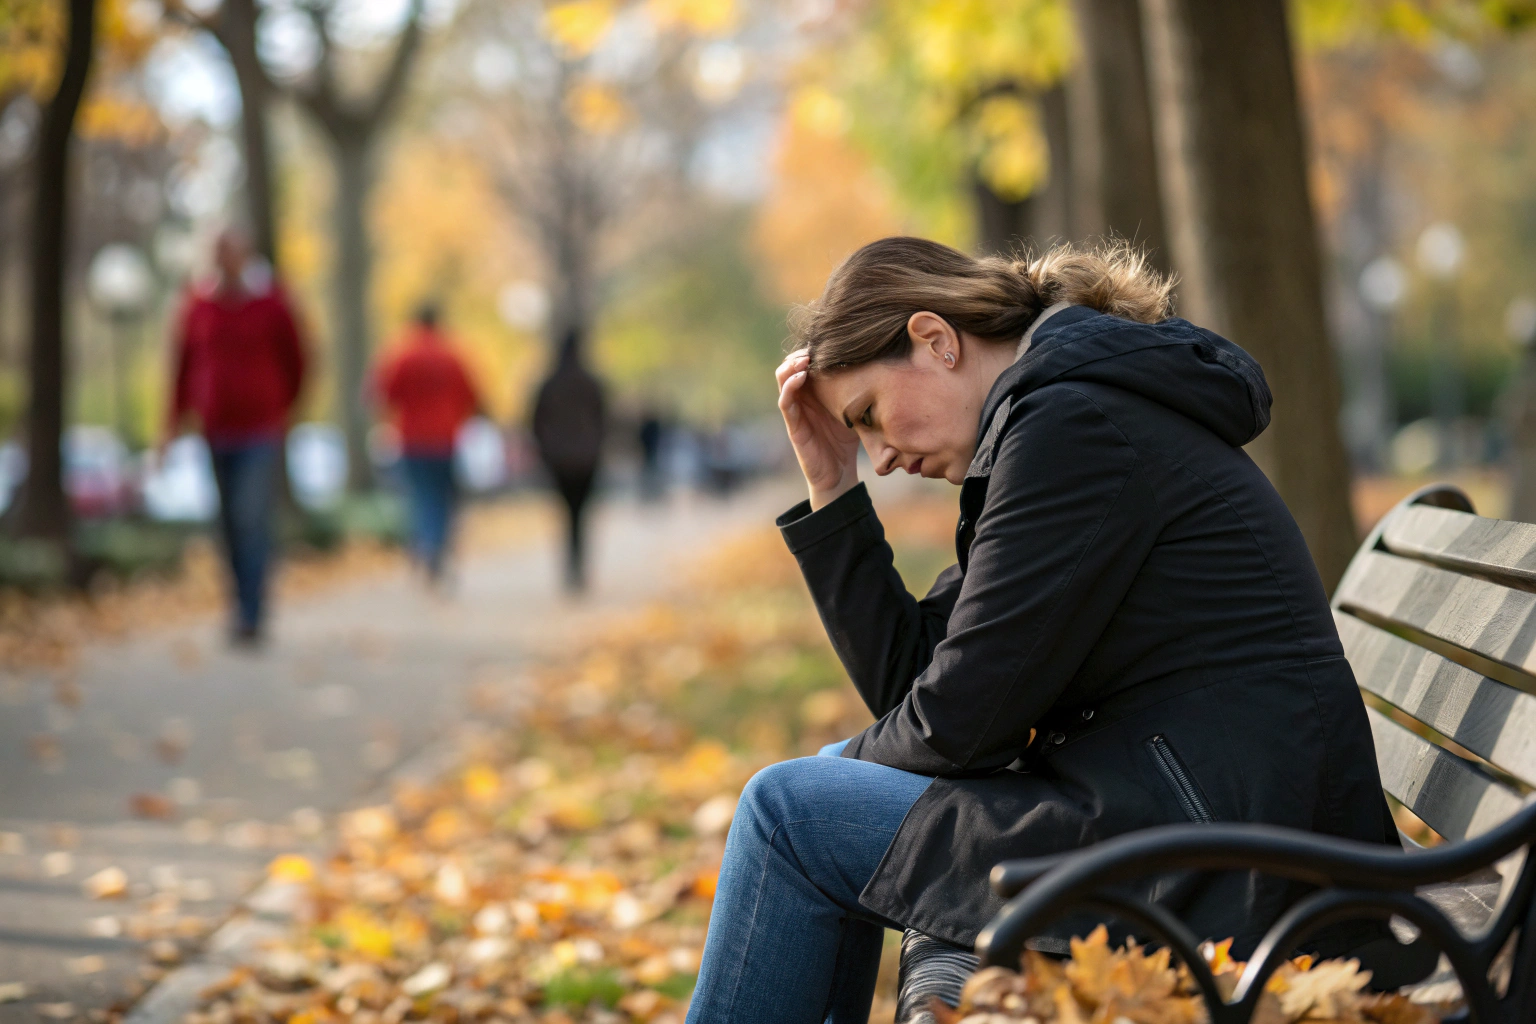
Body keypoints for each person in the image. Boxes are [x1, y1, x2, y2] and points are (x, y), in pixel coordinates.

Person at [686, 237, 1399, 1024]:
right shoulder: (1053, 420)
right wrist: (831, 489)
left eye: (869, 418)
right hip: (1201, 823)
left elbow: (956, 726)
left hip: (1228, 867)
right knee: (814, 791)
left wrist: (843, 770)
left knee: (786, 811)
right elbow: (918, 685)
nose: (880, 457)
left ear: (935, 340)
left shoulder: (1073, 428)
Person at [166, 229, 306, 645]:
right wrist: (174, 421)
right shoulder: (197, 304)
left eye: (231, 252)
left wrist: (284, 405)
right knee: (226, 521)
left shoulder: (272, 301)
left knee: (251, 517)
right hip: (215, 428)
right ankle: (237, 603)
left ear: (245, 255)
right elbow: (182, 364)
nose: (224, 260)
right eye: (218, 253)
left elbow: (297, 357)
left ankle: (253, 610)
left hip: (260, 428)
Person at [373, 303, 482, 583]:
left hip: (412, 439)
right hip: (446, 438)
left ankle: (424, 543)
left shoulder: (403, 354)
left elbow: (385, 393)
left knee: (419, 496)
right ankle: (437, 546)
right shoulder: (453, 354)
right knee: (444, 498)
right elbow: (472, 395)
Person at [531, 330, 606, 592]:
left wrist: (545, 450)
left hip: (558, 459)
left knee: (566, 513)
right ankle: (578, 568)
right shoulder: (592, 383)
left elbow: (535, 421)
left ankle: (570, 569)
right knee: (580, 515)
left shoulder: (549, 384)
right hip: (586, 459)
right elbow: (604, 420)